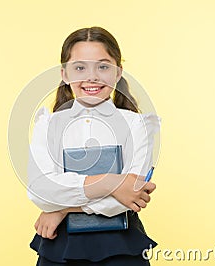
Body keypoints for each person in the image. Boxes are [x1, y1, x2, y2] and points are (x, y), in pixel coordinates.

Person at [27, 26, 160, 266]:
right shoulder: (49, 125)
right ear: (65, 74)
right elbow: (40, 189)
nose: (92, 77)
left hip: (121, 246)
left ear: (118, 73)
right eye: (80, 67)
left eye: (103, 66)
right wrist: (112, 182)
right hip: (59, 246)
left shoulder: (137, 125)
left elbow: (133, 195)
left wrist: (61, 209)